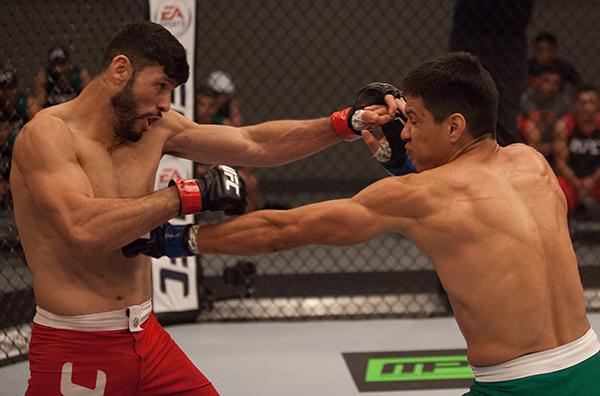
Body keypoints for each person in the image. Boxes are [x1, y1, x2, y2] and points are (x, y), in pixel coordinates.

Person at [147, 53, 600, 394]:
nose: (403, 133)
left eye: (415, 122)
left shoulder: (417, 197)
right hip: (590, 365)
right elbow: (475, 211)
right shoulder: (533, 164)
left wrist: (179, 237)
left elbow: (287, 230)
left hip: (517, 385)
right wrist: (408, 170)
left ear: (455, 126)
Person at [10, 22, 396, 395]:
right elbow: (84, 229)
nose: (165, 104)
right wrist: (184, 196)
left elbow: (254, 143)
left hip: (146, 334)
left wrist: (347, 123)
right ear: (120, 69)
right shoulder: (48, 135)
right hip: (77, 343)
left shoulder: (156, 129)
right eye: (159, 87)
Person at [449, 0, 533, 147]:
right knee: (460, 99)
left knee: (506, 111)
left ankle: (504, 163)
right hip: (470, 24)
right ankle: (462, 158)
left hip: (510, 29)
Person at [554, 86, 600, 217]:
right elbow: (560, 163)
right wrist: (576, 182)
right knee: (557, 187)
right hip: (572, 179)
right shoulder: (564, 125)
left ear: (597, 105)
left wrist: (591, 180)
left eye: (591, 102)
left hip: (596, 179)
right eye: (582, 102)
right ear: (576, 104)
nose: (586, 107)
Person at [519, 65, 572, 167]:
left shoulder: (563, 102)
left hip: (555, 141)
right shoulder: (528, 97)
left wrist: (551, 146)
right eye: (546, 81)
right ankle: (533, 167)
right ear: (538, 81)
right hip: (532, 140)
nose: (551, 86)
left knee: (560, 126)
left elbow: (568, 128)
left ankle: (560, 171)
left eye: (556, 83)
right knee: (531, 128)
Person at [528, 32, 581, 96]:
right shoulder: (528, 66)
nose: (545, 55)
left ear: (554, 51)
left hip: (557, 103)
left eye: (549, 50)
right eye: (541, 50)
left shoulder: (562, 66)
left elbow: (578, 82)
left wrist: (573, 97)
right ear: (535, 51)